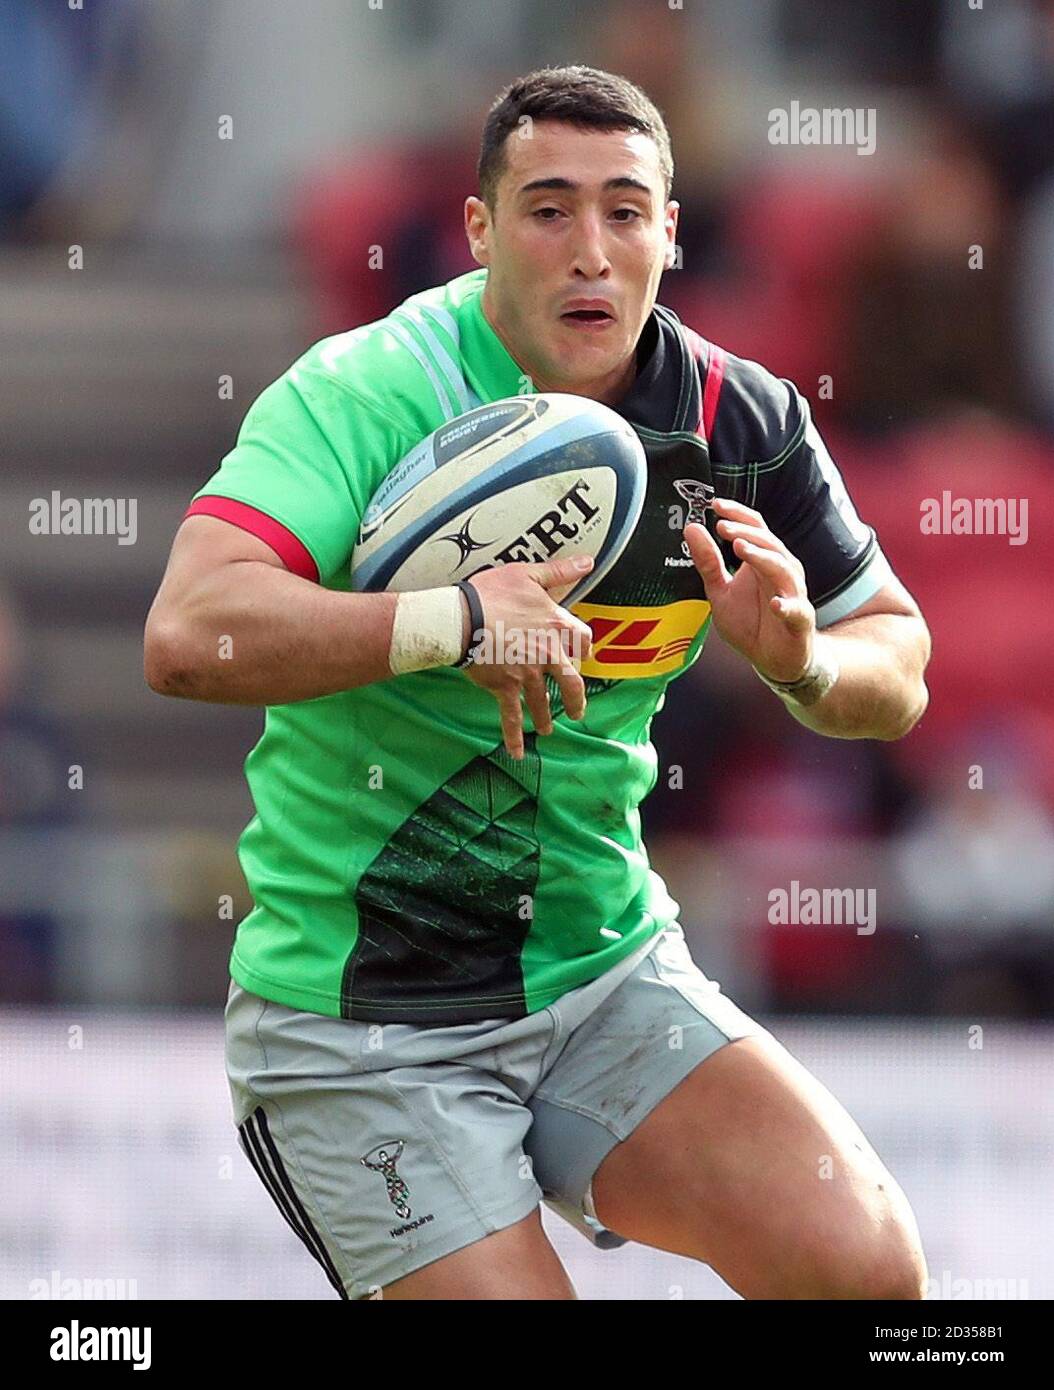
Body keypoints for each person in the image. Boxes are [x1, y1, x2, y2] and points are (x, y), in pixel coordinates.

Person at [144, 66, 931, 1301]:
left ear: (671, 231)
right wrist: (447, 621)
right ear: (478, 229)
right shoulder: (370, 390)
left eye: (625, 210)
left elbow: (896, 659)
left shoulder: (738, 421)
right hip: (361, 1026)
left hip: (600, 969)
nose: (590, 251)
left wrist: (804, 664)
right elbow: (188, 633)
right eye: (548, 208)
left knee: (865, 1275)